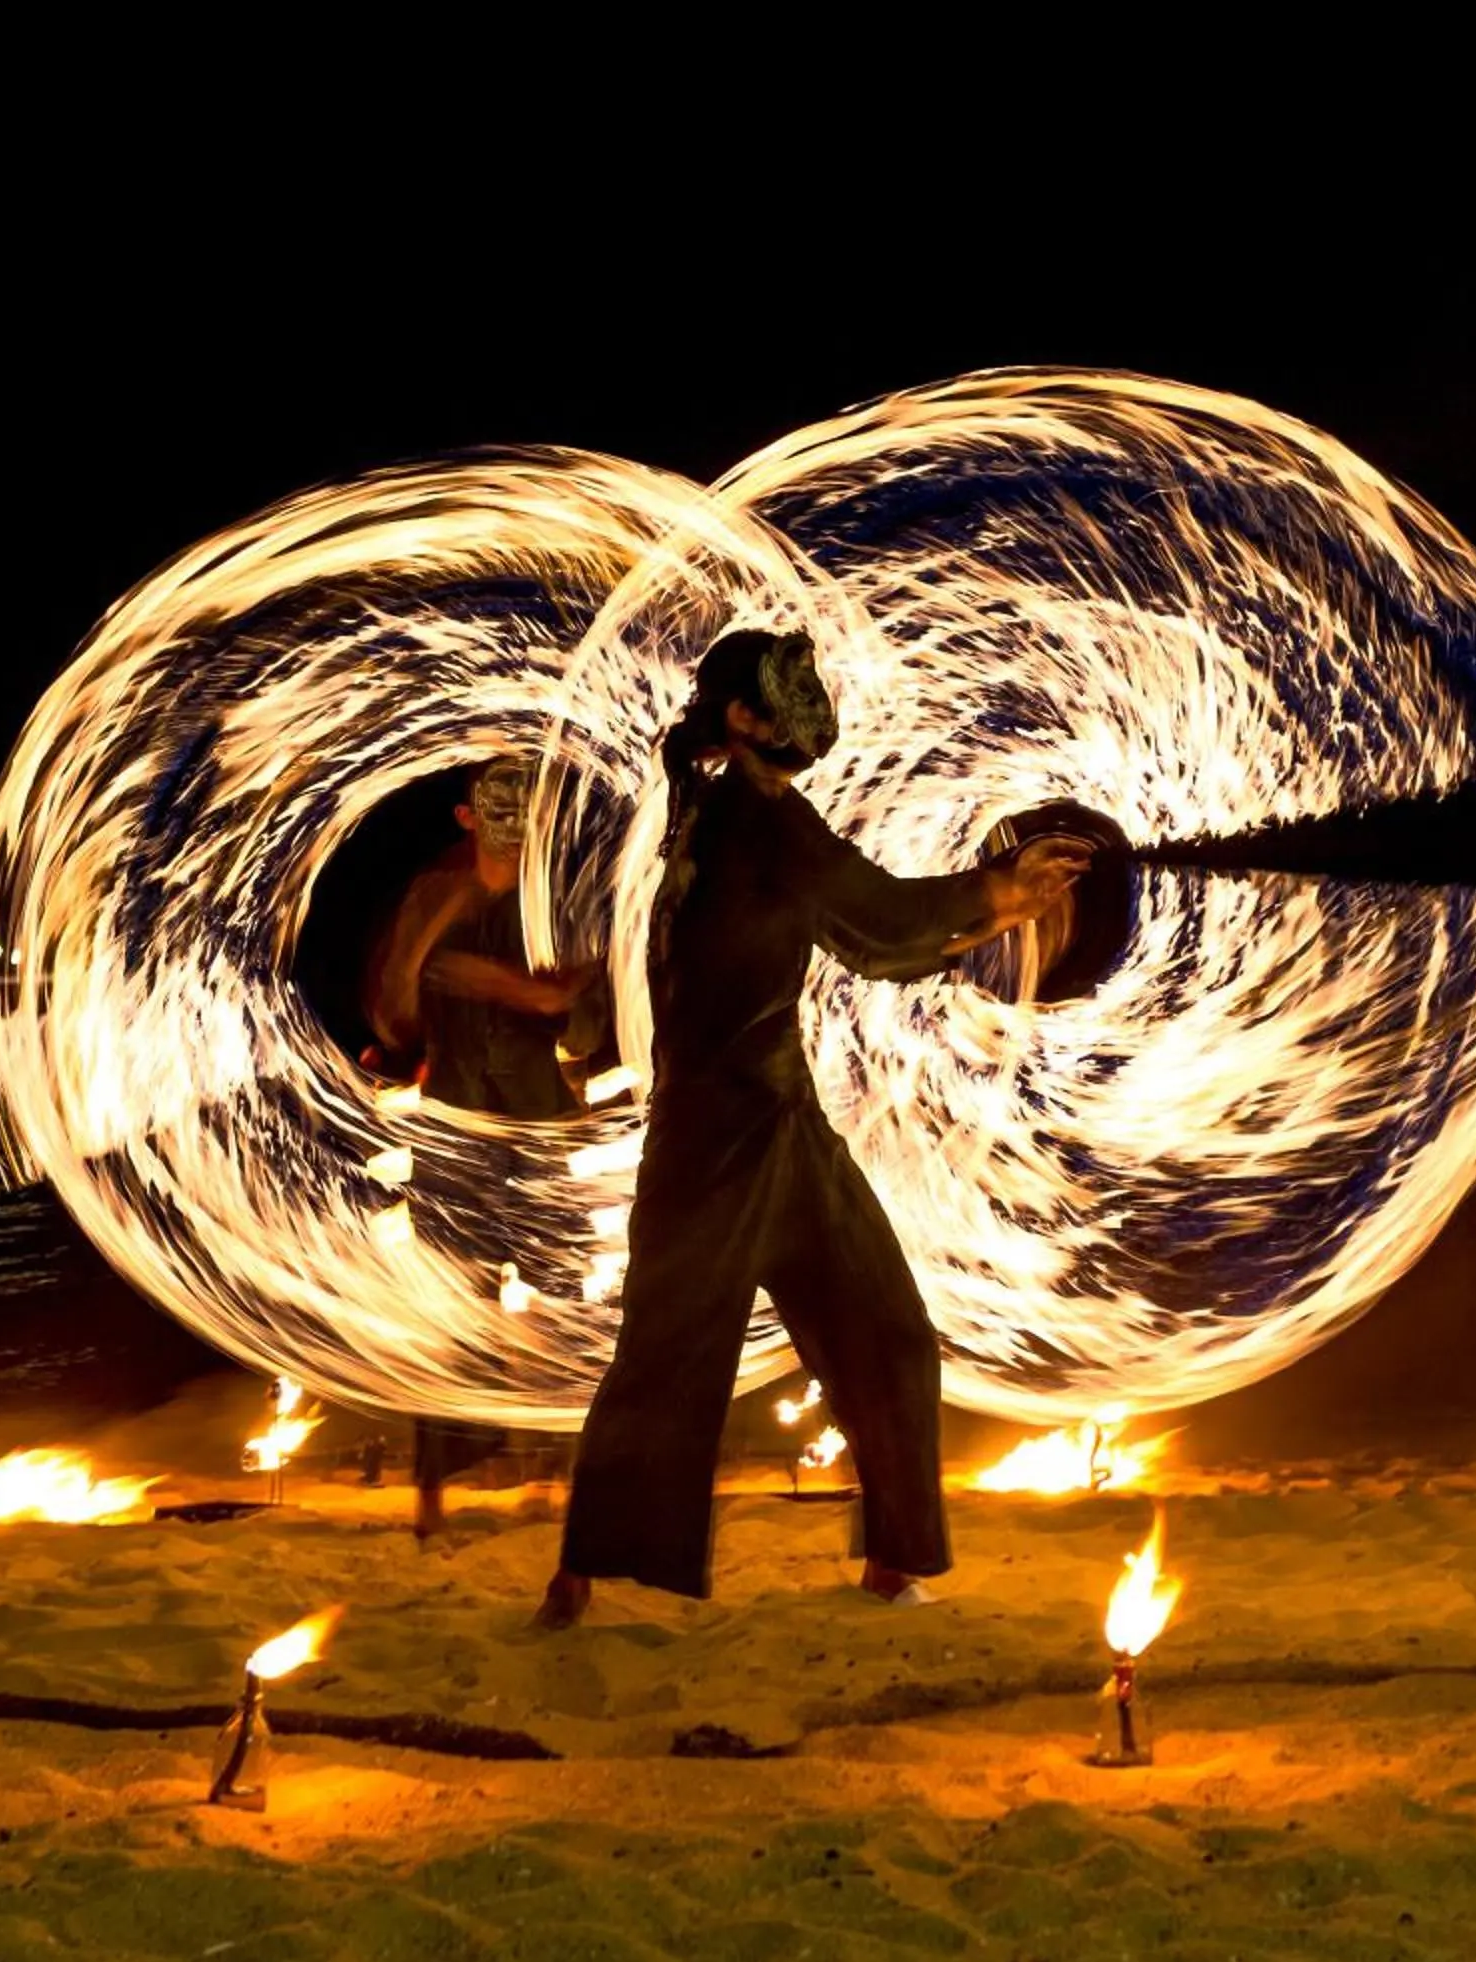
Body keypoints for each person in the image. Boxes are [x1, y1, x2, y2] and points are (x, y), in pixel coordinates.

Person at [536, 631, 1088, 1627]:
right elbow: (879, 918)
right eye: (786, 696)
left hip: (774, 1121)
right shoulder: (757, 819)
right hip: (719, 1137)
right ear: (744, 719)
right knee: (671, 1356)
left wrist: (999, 905)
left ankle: (891, 1560)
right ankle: (581, 1577)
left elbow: (865, 935)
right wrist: (999, 889)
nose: (810, 712)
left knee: (883, 1331)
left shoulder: (726, 808)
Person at [363, 757, 601, 1539]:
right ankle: (433, 1496)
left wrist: (527, 992)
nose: (513, 819)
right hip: (458, 1128)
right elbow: (394, 1020)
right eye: (496, 804)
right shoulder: (434, 898)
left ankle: (557, 1480)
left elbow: (589, 1021)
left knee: (557, 1304)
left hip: (540, 1125)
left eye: (526, 804)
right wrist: (425, 958)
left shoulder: (557, 908)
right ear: (466, 818)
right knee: (456, 1306)